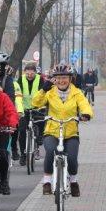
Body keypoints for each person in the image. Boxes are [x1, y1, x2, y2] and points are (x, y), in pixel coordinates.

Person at [32, 64, 93, 197]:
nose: (61, 81)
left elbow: (84, 105)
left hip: (71, 132)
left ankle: (73, 181)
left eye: (64, 77)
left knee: (71, 158)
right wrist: (43, 90)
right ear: (54, 79)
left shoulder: (77, 93)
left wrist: (86, 114)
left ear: (70, 79)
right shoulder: (50, 92)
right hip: (52, 130)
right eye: (58, 78)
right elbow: (35, 103)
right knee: (50, 151)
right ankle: (47, 182)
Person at [17, 62, 45, 166]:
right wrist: (19, 109)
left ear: (35, 72)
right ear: (25, 72)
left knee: (41, 120)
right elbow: (18, 93)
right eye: (27, 73)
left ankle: (40, 136)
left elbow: (42, 92)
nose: (29, 76)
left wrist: (40, 105)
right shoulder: (21, 79)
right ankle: (23, 154)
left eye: (31, 74)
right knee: (22, 130)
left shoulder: (40, 79)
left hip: (37, 107)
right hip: (24, 108)